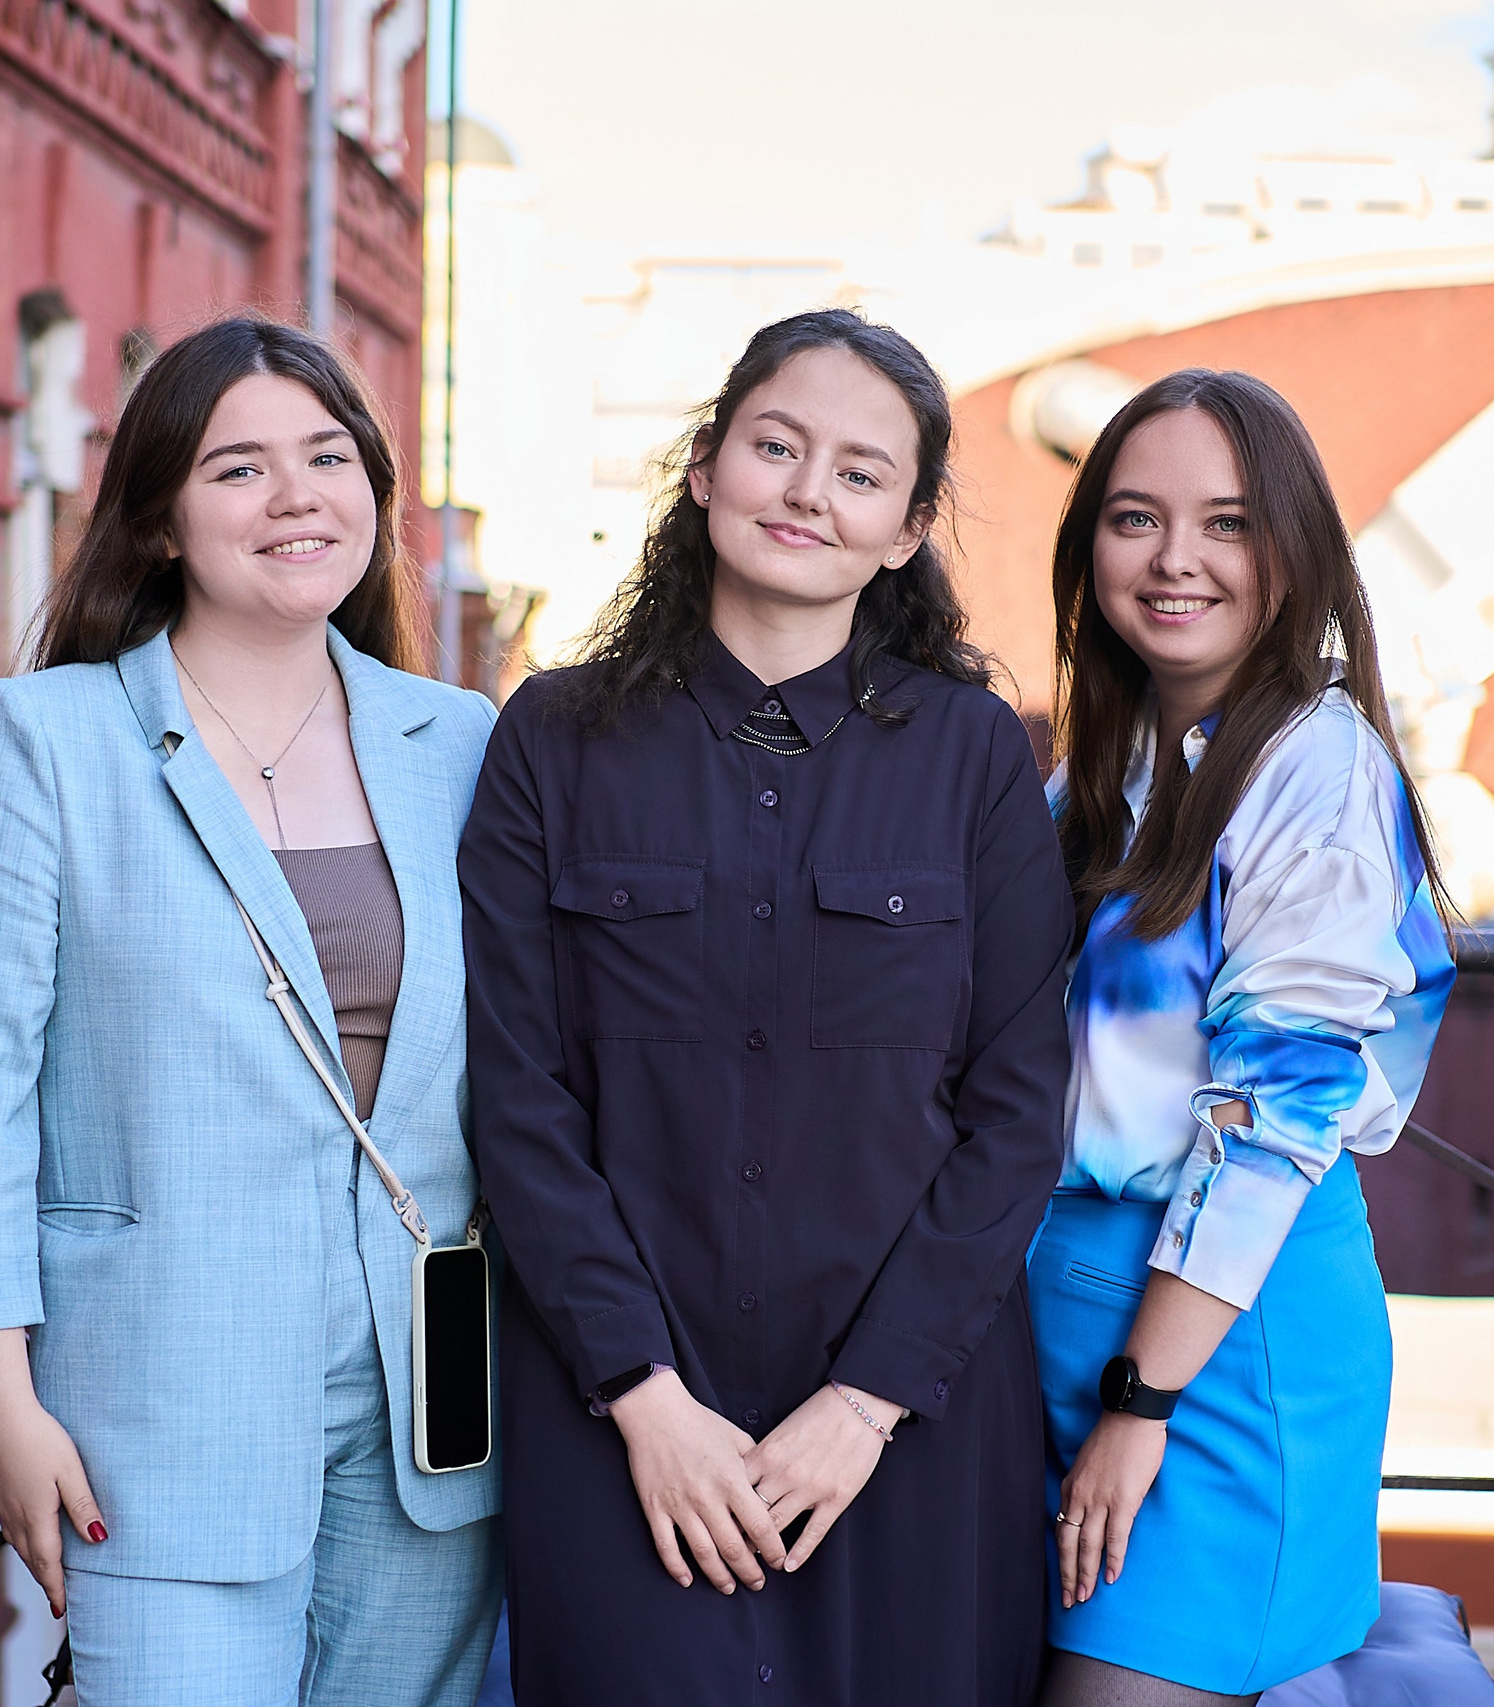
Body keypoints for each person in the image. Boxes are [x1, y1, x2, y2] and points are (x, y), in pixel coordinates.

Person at [460, 308, 1074, 1706]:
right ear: (704, 471)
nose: (807, 490)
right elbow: (516, 1096)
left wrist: (865, 1405)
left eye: (860, 472)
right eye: (775, 446)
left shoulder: (977, 756)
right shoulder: (550, 741)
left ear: (907, 530)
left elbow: (1018, 1109)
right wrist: (643, 1396)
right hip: (620, 1422)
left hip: (906, 1428)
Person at [0, 317, 501, 1707]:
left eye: (328, 457)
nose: (296, 497)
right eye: (238, 469)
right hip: (159, 1400)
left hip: (434, 1404)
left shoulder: (456, 739)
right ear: (161, 520)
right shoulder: (48, 738)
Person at [1031, 369, 1457, 1707]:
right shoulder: (1112, 765)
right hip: (1071, 1315)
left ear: (1297, 552)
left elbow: (1272, 1123)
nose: (1174, 561)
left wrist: (1140, 1408)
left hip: (1213, 1341)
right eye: (1135, 517)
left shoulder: (1313, 773)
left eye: (1225, 523)